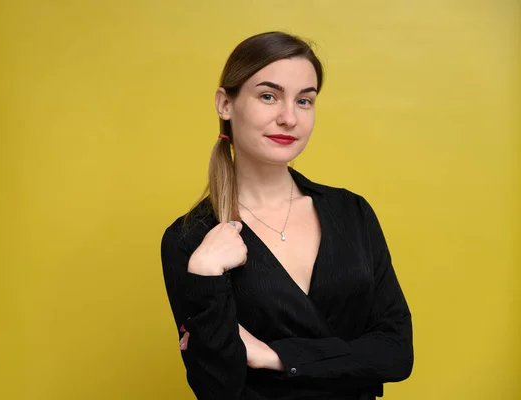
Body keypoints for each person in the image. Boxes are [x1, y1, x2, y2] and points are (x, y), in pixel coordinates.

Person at [160, 31, 413, 400]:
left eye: (305, 101)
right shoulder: (190, 240)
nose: (289, 117)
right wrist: (205, 276)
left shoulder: (352, 213)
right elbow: (217, 388)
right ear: (225, 104)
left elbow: (396, 353)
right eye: (268, 96)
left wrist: (275, 355)